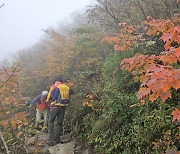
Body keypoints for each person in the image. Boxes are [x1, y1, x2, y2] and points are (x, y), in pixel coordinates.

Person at [47, 76, 73, 146]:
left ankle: (51, 139)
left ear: (56, 81)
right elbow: (72, 92)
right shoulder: (66, 87)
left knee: (51, 121)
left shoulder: (55, 87)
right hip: (63, 107)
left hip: (55, 106)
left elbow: (51, 97)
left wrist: (48, 100)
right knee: (59, 123)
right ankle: (57, 139)